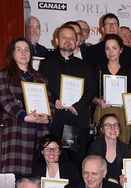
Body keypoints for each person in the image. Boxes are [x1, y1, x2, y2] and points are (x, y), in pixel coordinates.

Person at [39, 25, 97, 164]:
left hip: (78, 121)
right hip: (55, 122)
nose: (68, 40)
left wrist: (79, 105)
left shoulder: (86, 66)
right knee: (54, 163)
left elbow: (92, 89)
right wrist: (54, 99)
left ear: (76, 42)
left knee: (78, 164)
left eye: (71, 38)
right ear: (56, 41)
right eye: (64, 37)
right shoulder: (47, 65)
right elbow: (42, 88)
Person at [0, 37, 52, 175]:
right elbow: (6, 100)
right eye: (19, 49)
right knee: (17, 178)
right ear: (12, 53)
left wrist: (48, 119)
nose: (23, 53)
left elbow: (50, 103)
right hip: (17, 131)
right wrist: (24, 116)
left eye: (27, 50)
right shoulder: (5, 75)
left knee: (38, 176)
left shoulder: (41, 78)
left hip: (40, 132)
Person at [89, 34, 131, 145]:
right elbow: (89, 94)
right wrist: (98, 101)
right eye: (107, 48)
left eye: (114, 48)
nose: (111, 52)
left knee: (122, 144)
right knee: (101, 146)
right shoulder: (97, 70)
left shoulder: (129, 71)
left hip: (122, 113)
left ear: (121, 50)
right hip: (103, 111)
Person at [87, 113, 130, 183]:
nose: (113, 128)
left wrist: (123, 180)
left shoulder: (125, 148)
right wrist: (108, 180)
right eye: (108, 126)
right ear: (102, 129)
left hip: (119, 186)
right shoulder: (95, 146)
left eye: (115, 125)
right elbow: (91, 171)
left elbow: (127, 172)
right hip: (99, 184)